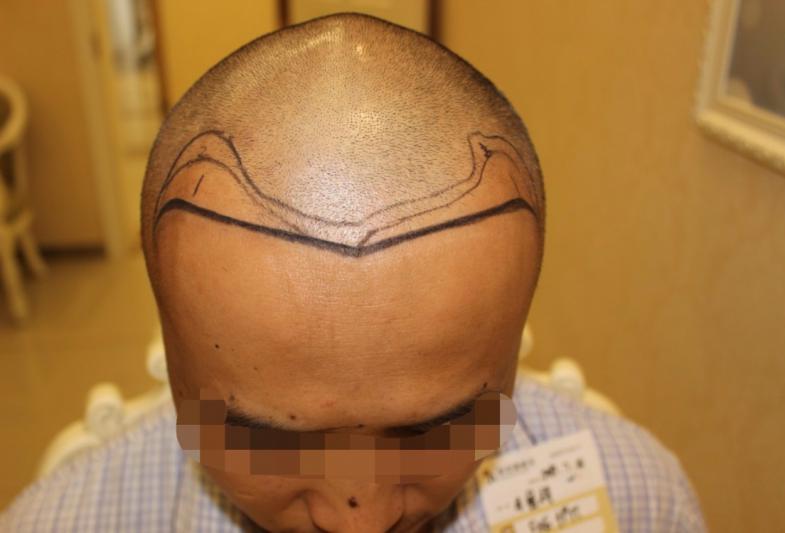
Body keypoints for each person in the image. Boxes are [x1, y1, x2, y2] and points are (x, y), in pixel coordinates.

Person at [1, 13, 706, 533]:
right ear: (174, 362)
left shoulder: (641, 503)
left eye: (433, 432)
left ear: (510, 352)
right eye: (268, 441)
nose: (359, 517)